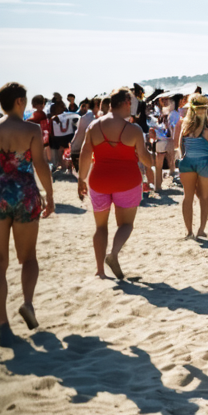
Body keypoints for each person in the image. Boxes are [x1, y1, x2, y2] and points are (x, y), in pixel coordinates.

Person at [0, 82, 54, 343]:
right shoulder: (31, 128)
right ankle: (28, 303)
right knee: (28, 257)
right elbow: (40, 163)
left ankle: (3, 324)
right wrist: (50, 195)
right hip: (26, 194)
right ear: (19, 101)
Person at [78, 88, 151, 280]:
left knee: (100, 227)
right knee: (126, 224)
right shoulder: (134, 130)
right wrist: (153, 162)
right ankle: (114, 253)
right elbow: (145, 159)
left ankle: (100, 270)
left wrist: (81, 179)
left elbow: (85, 154)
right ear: (127, 103)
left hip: (99, 180)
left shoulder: (94, 126)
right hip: (127, 181)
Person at [176, 95, 208, 239]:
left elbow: (180, 145)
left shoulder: (185, 125)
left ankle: (189, 231)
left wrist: (184, 158)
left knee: (187, 197)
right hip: (205, 163)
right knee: (204, 198)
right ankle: (201, 230)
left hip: (187, 162)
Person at [48, 101, 78, 173]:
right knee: (67, 151)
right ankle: (66, 165)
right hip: (67, 136)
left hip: (58, 137)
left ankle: (62, 165)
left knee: (59, 151)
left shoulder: (53, 117)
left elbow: (51, 129)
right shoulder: (68, 115)